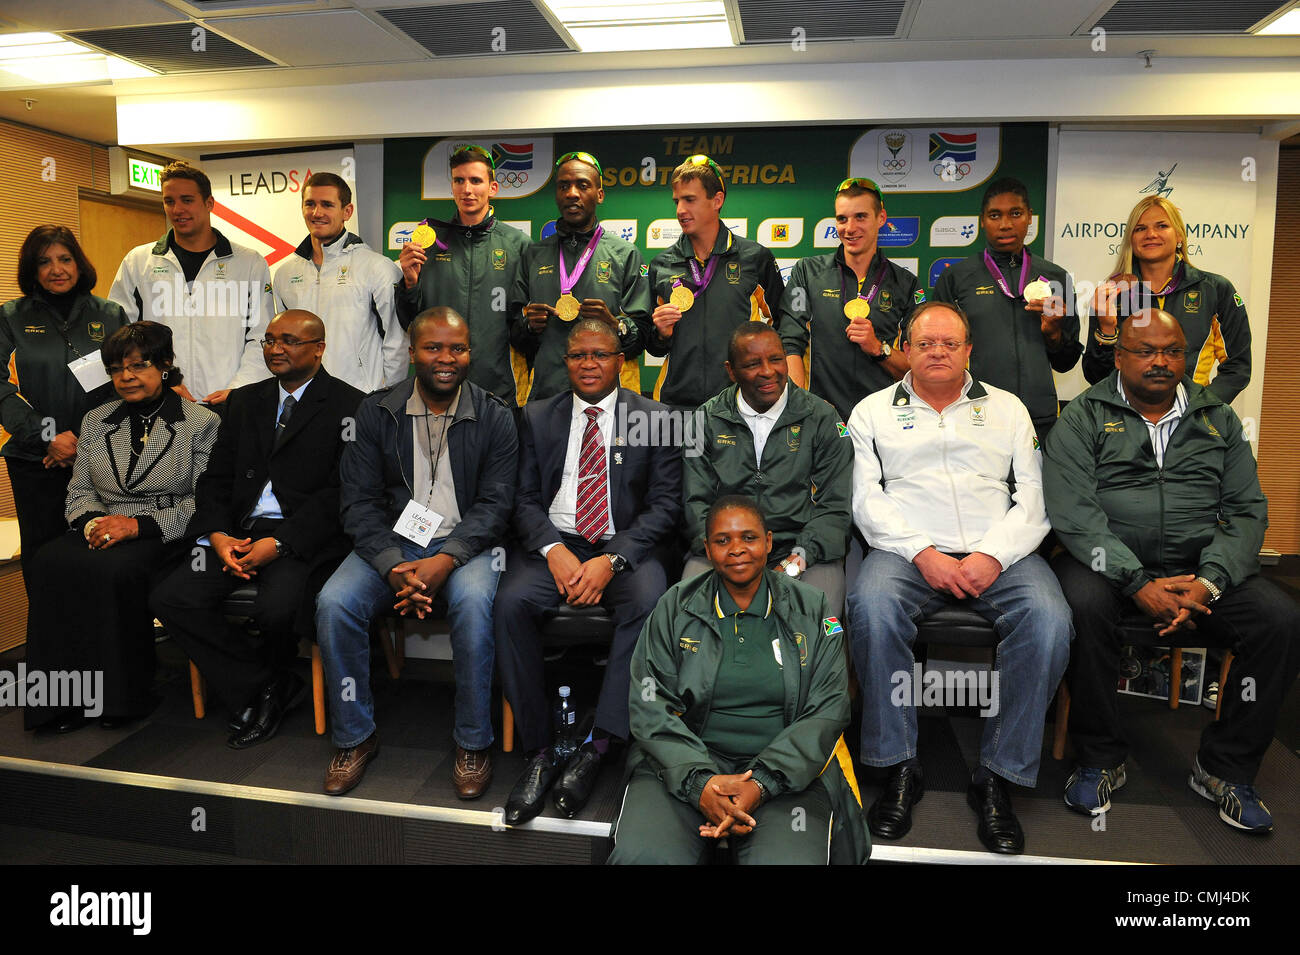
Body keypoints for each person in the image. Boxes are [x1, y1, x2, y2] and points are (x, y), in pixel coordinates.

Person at [1044, 309, 1298, 834]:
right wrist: (1136, 580)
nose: (1161, 361)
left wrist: (1210, 581)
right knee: (1082, 606)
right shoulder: (1084, 416)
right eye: (1146, 351)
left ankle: (1224, 769)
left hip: (1201, 570)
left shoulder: (1217, 417)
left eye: (1173, 351)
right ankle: (1100, 758)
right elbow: (1073, 512)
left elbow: (1247, 511)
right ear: (1118, 357)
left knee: (1278, 619)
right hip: (1107, 564)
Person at [845, 302, 1072, 854]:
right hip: (906, 553)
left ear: (969, 350)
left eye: (949, 343)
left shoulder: (1009, 409)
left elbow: (1035, 498)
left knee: (1049, 621)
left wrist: (993, 555)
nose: (938, 352)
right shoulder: (871, 411)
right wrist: (923, 553)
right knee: (870, 610)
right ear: (906, 348)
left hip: (1000, 554)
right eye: (926, 343)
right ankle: (898, 765)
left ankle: (998, 775)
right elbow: (865, 498)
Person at [315, 307, 517, 797]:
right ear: (411, 354)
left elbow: (496, 505)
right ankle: (355, 737)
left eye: (458, 348)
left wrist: (446, 559)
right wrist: (391, 565)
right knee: (334, 604)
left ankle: (472, 741)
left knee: (471, 605)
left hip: (468, 545)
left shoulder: (494, 415)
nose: (446, 358)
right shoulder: (377, 411)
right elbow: (357, 502)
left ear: (470, 352)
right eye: (433, 347)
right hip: (393, 542)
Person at [608, 495, 868, 865]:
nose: (737, 549)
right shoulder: (674, 606)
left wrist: (760, 784)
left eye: (748, 537)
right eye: (723, 540)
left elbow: (830, 707)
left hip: (788, 772)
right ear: (707, 548)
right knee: (643, 858)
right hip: (682, 763)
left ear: (768, 542)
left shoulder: (813, 608)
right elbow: (650, 705)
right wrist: (702, 784)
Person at [495, 318, 682, 824]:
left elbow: (666, 507)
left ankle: (600, 744)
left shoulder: (656, 417)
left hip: (623, 546)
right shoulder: (535, 416)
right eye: (579, 355)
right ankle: (540, 749)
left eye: (600, 354)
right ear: (566, 360)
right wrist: (554, 550)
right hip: (555, 542)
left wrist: (612, 559)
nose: (589, 364)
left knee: (649, 600)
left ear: (621, 359)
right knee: (510, 602)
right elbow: (522, 499)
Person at [150, 309, 365, 748]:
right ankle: (265, 684)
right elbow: (215, 478)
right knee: (172, 598)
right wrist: (217, 536)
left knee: (277, 609)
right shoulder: (246, 401)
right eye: (269, 340)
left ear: (319, 348)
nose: (275, 349)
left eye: (288, 340)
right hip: (239, 531)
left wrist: (282, 543)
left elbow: (341, 493)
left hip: (303, 534)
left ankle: (264, 688)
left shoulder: (351, 405)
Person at [23, 322, 220, 732]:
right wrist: (96, 523)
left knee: (115, 571)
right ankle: (58, 701)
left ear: (165, 366)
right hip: (104, 525)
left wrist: (137, 526)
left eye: (138, 366)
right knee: (47, 561)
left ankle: (122, 698)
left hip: (166, 532)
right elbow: (78, 490)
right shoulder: (96, 419)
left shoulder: (201, 422)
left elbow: (205, 502)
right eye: (116, 369)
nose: (126, 377)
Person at [683, 322, 852, 617]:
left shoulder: (822, 418)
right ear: (731, 370)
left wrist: (797, 559)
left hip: (803, 549)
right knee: (690, 615)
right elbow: (696, 503)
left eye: (776, 359)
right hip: (726, 548)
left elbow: (835, 508)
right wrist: (731, 553)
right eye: (752, 364)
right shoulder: (704, 420)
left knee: (820, 621)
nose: (767, 371)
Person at [1, 225, 127, 583]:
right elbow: (1, 388)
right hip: (36, 461)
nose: (57, 269)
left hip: (103, 459)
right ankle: (49, 640)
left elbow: (127, 384)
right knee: (45, 560)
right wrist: (50, 436)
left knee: (101, 553)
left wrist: (86, 444)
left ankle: (100, 639)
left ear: (78, 263)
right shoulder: (10, 317)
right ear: (32, 270)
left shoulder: (110, 315)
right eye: (44, 262)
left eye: (65, 259)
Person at [109, 160, 274, 404]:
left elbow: (262, 335)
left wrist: (239, 389)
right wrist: (163, 381)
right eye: (169, 201)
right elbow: (122, 337)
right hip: (161, 400)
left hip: (231, 402)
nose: (177, 209)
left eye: (187, 200)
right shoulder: (138, 261)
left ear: (209, 203)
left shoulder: (249, 263)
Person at [933, 177, 1081, 441]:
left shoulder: (1056, 277)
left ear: (1029, 217)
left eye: (1015, 213)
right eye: (994, 215)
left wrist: (1054, 334)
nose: (1005, 224)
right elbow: (939, 352)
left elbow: (1066, 363)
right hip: (975, 415)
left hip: (1039, 418)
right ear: (981, 220)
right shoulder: (956, 278)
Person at [396, 145, 531, 405]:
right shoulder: (427, 244)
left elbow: (525, 331)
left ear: (493, 188)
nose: (467, 189)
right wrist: (410, 284)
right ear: (452, 186)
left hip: (498, 390)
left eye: (476, 180)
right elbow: (408, 323)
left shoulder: (519, 245)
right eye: (459, 180)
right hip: (438, 387)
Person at [646, 155, 784, 411]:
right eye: (677, 201)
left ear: (717, 200)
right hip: (676, 406)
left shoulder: (755, 258)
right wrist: (661, 334)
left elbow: (784, 327)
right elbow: (653, 346)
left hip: (742, 405)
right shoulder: (661, 264)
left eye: (690, 200)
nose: (680, 210)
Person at [1081, 196, 1251, 403]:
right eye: (1140, 228)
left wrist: (1201, 407)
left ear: (1179, 236)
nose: (1151, 234)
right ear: (1131, 240)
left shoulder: (1215, 289)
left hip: (1191, 424)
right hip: (1127, 422)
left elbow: (1238, 366)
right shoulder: (1112, 294)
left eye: (1162, 226)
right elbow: (1096, 377)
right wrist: (1107, 330)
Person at [510, 151, 651, 402]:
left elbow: (642, 336)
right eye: (564, 186)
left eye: (582, 185)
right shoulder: (534, 255)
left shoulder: (625, 254)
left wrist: (614, 323)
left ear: (599, 194)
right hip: (546, 397)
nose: (572, 193)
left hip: (607, 401)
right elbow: (515, 334)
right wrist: (528, 326)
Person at [779, 177, 923, 420]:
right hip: (821, 419)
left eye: (861, 217)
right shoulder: (807, 272)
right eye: (842, 219)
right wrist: (799, 406)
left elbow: (918, 363)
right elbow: (790, 342)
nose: (850, 228)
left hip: (885, 421)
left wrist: (878, 348)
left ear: (881, 218)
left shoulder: (906, 284)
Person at [271, 172, 406, 393]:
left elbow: (397, 340)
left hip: (361, 397)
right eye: (310, 204)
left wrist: (388, 396)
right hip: (304, 399)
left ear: (347, 211)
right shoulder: (285, 273)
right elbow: (281, 343)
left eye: (327, 205)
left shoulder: (377, 267)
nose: (317, 213)